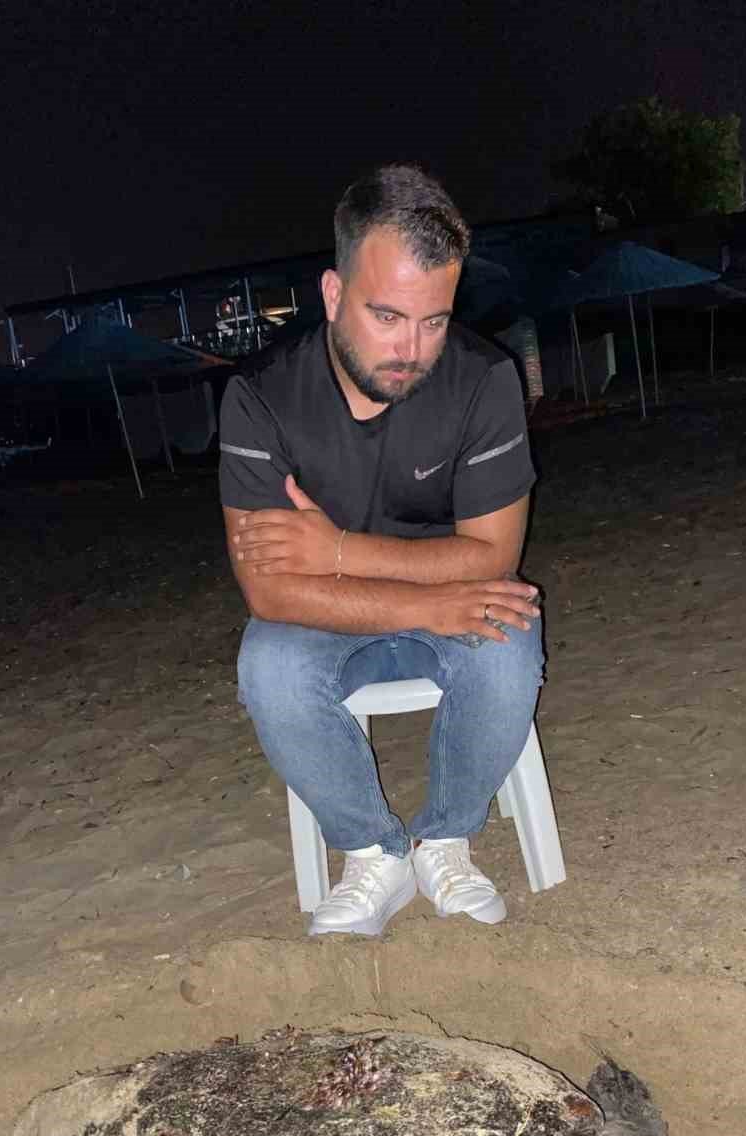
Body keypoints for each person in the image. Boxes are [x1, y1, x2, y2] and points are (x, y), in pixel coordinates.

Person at [217, 163, 544, 937]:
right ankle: (373, 852)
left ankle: (445, 838)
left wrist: (333, 549)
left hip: (394, 589)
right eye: (388, 316)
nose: (412, 347)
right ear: (333, 295)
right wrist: (428, 598)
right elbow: (269, 594)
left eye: (434, 321)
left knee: (509, 643)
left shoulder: (484, 379)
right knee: (269, 665)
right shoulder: (261, 397)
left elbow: (493, 554)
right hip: (331, 615)